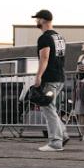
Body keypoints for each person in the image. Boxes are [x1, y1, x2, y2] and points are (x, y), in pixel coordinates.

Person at [31, 9, 68, 152]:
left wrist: (38, 75)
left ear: (43, 20)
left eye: (37, 19)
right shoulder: (59, 37)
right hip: (60, 77)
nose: (36, 21)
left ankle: (55, 142)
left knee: (48, 109)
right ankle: (62, 135)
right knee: (51, 108)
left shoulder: (44, 38)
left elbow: (44, 57)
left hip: (50, 78)